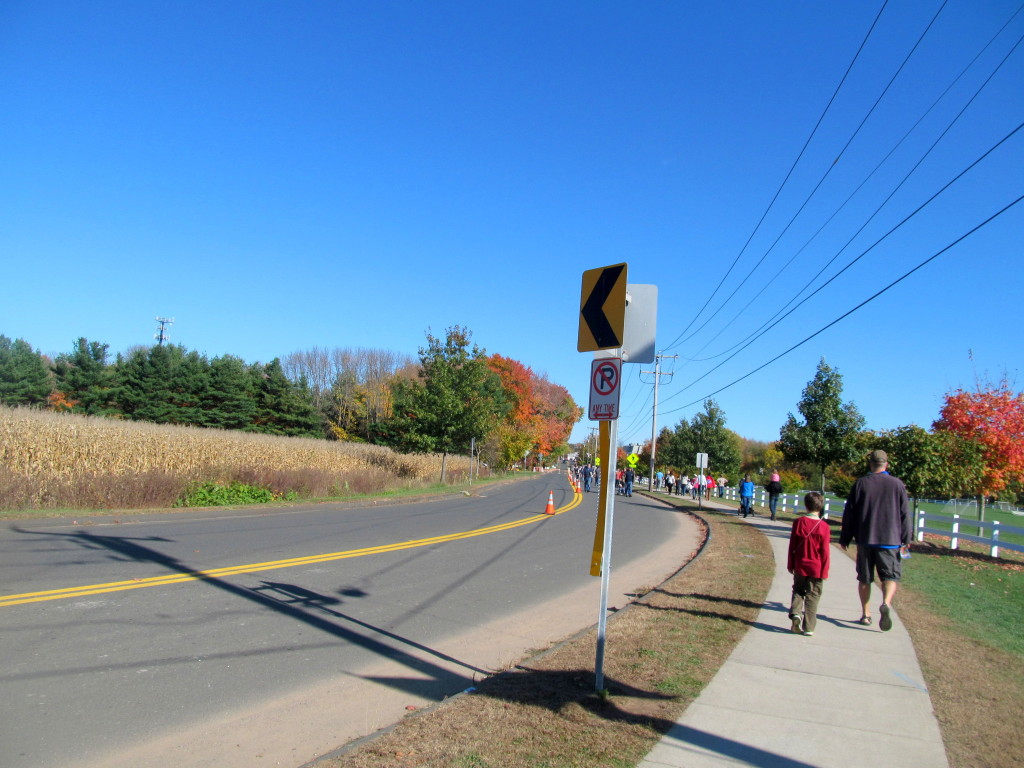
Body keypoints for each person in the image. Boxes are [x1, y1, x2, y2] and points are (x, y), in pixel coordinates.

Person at [839, 449, 912, 631]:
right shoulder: (897, 485)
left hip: (865, 539)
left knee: (865, 579)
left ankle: (866, 614)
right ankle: (886, 603)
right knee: (889, 576)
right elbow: (905, 514)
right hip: (890, 540)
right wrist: (906, 537)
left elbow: (850, 513)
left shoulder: (861, 484)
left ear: (871, 464)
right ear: (886, 464)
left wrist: (845, 537)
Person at [788, 491, 831, 636]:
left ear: (806, 505)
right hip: (816, 567)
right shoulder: (824, 527)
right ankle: (809, 627)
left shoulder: (798, 523)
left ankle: (795, 613)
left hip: (800, 563)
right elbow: (825, 551)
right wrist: (825, 570)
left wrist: (790, 564)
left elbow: (792, 545)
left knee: (798, 590)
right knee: (813, 595)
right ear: (821, 506)